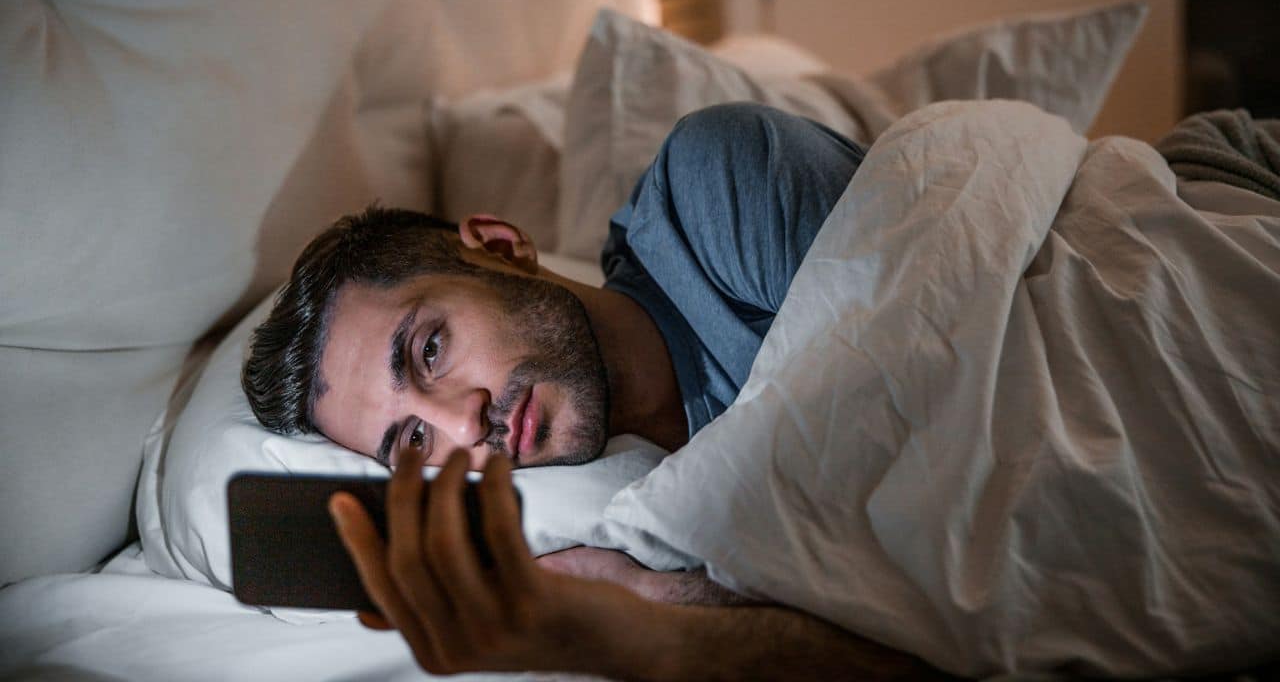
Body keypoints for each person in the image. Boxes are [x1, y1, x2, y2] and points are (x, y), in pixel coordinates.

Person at [244, 103, 939, 677]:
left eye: (430, 349)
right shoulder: (631, 526)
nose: (463, 426)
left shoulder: (714, 191)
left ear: (497, 244)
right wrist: (647, 599)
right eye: (414, 439)